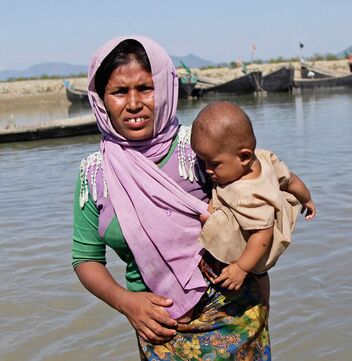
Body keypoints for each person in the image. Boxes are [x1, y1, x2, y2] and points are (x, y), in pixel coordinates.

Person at [72, 36, 271, 360]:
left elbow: (261, 206)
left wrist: (262, 298)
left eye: (145, 88)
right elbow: (85, 258)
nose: (133, 103)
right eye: (119, 92)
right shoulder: (94, 174)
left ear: (164, 88)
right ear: (101, 99)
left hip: (235, 317)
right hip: (158, 329)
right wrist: (126, 303)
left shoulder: (201, 147)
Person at [190, 101, 316, 292]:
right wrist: (306, 199)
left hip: (256, 249)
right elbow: (290, 180)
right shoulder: (262, 158)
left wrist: (241, 268)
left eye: (214, 164)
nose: (207, 170)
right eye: (203, 161)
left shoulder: (248, 195)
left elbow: (262, 234)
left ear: (244, 157)